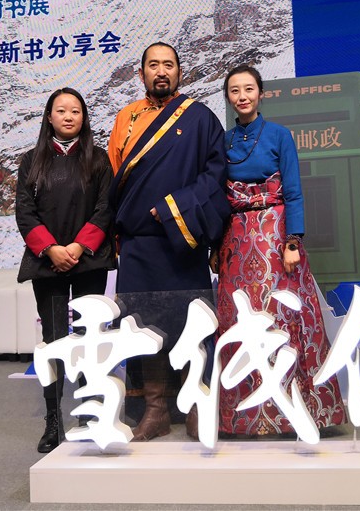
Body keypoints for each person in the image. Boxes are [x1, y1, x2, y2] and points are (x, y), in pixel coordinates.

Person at [212, 64, 347, 436]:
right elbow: (217, 196)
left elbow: (294, 192)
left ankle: (297, 411)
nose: (242, 96)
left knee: (282, 316)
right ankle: (244, 416)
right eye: (235, 90)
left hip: (275, 235)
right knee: (240, 319)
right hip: (236, 239)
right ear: (228, 97)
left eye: (249, 88)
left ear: (261, 93)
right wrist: (215, 245)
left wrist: (293, 242)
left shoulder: (279, 135)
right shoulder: (222, 141)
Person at [108, 41, 230, 441]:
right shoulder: (126, 118)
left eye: (169, 65)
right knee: (144, 327)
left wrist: (174, 207)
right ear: (141, 73)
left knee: (191, 325)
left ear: (180, 71)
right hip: (138, 244)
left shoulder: (200, 118)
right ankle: (156, 410)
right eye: (153, 65)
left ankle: (194, 406)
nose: (161, 71)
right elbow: (113, 180)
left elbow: (215, 177)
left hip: (183, 239)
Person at [16, 87, 115, 453]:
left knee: (89, 338)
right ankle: (53, 419)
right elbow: (24, 211)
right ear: (49, 117)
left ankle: (89, 412)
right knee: (55, 341)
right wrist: (52, 249)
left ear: (83, 117)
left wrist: (77, 246)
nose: (69, 116)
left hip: (89, 261)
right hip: (48, 264)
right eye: (61, 110)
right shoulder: (31, 161)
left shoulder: (99, 159)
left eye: (76, 110)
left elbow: (105, 208)